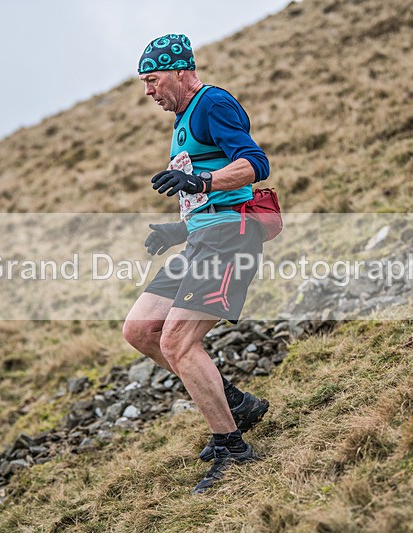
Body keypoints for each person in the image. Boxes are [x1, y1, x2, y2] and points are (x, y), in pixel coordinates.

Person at [122, 33, 271, 494]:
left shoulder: (212, 103)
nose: (148, 90)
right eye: (145, 82)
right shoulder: (184, 118)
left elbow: (254, 165)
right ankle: (233, 403)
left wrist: (201, 181)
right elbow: (204, 194)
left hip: (230, 239)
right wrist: (179, 230)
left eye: (153, 79)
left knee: (178, 341)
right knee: (141, 329)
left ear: (182, 70)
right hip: (202, 239)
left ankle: (233, 448)